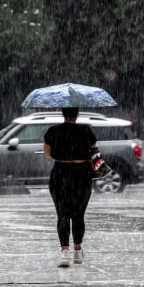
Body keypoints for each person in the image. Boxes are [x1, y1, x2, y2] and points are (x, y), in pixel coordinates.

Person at [43, 107, 97, 267]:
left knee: (63, 214)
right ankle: (78, 251)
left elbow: (47, 153)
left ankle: (64, 253)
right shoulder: (86, 130)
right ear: (77, 113)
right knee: (78, 214)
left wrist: (62, 153)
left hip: (60, 173)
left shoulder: (53, 131)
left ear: (62, 113)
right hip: (82, 175)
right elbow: (94, 151)